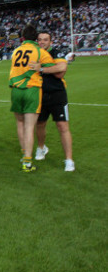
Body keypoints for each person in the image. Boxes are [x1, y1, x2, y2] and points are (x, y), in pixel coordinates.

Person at [8, 23, 62, 172]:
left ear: (23, 38)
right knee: (30, 126)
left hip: (16, 90)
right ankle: (27, 162)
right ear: (36, 38)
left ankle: (23, 153)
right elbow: (56, 69)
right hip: (31, 89)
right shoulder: (39, 51)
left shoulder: (17, 50)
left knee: (20, 124)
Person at [35, 31, 75, 171]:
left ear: (50, 42)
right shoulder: (34, 54)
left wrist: (40, 68)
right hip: (40, 94)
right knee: (39, 124)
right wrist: (51, 68)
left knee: (62, 126)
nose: (42, 42)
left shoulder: (57, 52)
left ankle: (69, 160)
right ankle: (41, 148)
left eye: (45, 40)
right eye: (40, 40)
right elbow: (56, 69)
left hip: (57, 94)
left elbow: (61, 70)